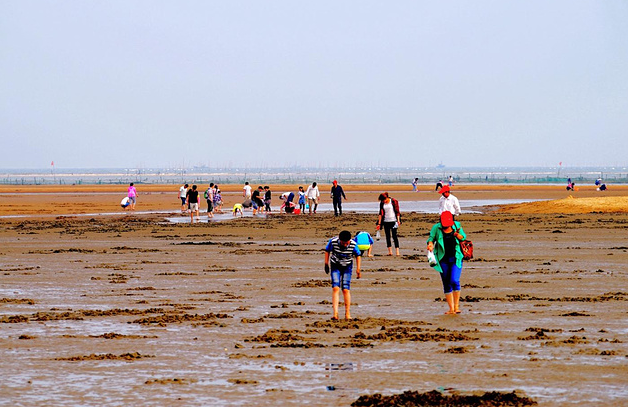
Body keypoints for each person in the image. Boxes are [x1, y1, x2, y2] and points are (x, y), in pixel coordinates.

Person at [427, 211, 467, 315]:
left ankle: (457, 306)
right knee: (446, 283)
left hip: (456, 257)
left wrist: (458, 236)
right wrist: (430, 245)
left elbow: (464, 237)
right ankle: (451, 309)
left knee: (454, 280)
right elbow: (431, 239)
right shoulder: (436, 228)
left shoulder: (456, 226)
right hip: (442, 259)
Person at [324, 230, 362, 320]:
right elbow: (327, 250)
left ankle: (347, 313)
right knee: (335, 288)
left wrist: (358, 269)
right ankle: (335, 314)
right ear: (339, 240)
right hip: (335, 265)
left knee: (345, 289)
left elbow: (358, 255)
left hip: (347, 267)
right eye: (343, 243)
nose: (345, 245)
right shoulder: (333, 242)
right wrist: (326, 264)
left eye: (346, 243)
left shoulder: (353, 244)